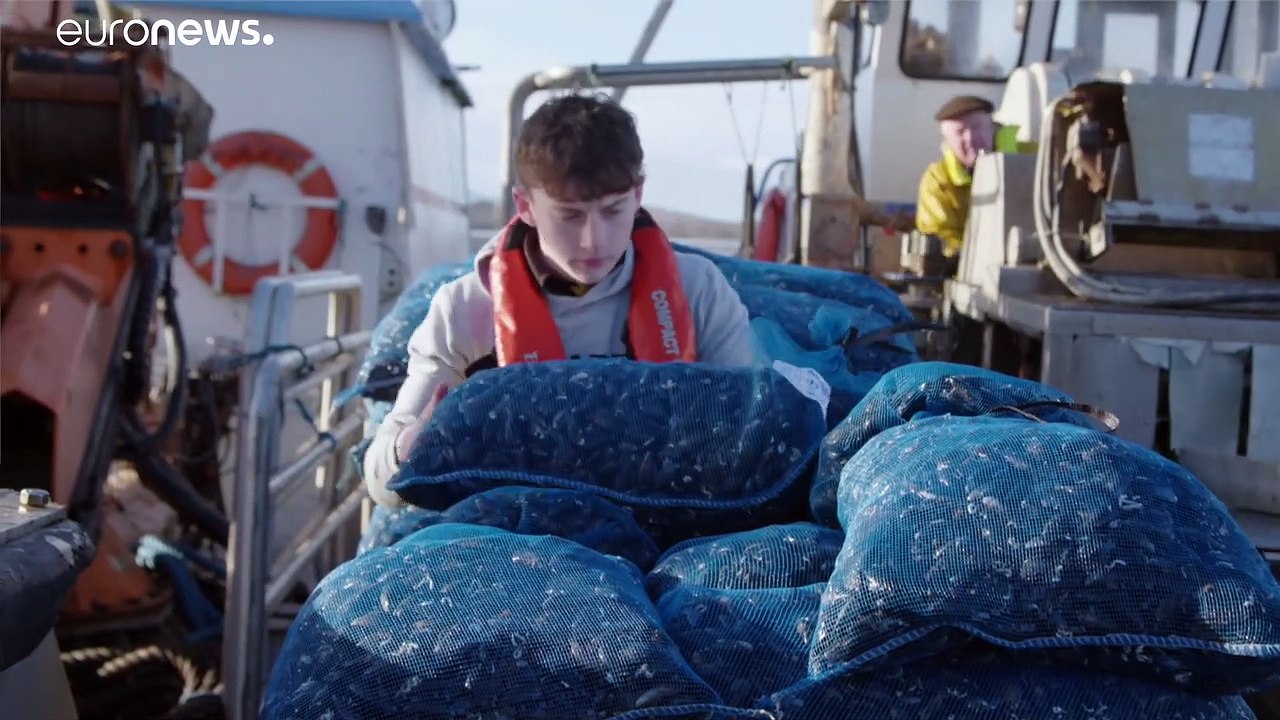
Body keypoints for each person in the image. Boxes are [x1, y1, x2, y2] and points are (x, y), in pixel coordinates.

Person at [362, 92, 756, 508]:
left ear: (638, 195)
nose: (594, 240)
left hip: (669, 515)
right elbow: (380, 484)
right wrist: (408, 447)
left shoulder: (700, 291)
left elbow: (748, 433)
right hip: (517, 535)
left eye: (613, 211)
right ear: (525, 206)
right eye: (570, 216)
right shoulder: (464, 310)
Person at [915, 95, 1033, 263]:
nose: (970, 138)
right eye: (960, 132)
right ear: (947, 142)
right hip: (970, 271)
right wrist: (979, 257)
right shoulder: (937, 180)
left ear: (992, 128)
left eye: (977, 127)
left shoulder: (1033, 157)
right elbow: (940, 235)